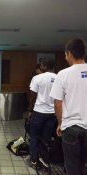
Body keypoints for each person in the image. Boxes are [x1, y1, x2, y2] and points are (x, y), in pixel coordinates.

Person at [50, 38, 87, 175]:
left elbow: (57, 103)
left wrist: (60, 123)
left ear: (70, 53)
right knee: (83, 166)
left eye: (65, 55)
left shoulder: (63, 74)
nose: (66, 58)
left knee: (72, 167)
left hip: (71, 127)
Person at [26, 57, 57, 168]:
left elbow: (33, 96)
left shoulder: (37, 78)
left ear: (44, 65)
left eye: (41, 64)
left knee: (34, 136)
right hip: (52, 114)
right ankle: (44, 160)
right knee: (46, 138)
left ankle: (34, 160)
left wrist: (30, 111)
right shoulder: (58, 78)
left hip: (39, 112)